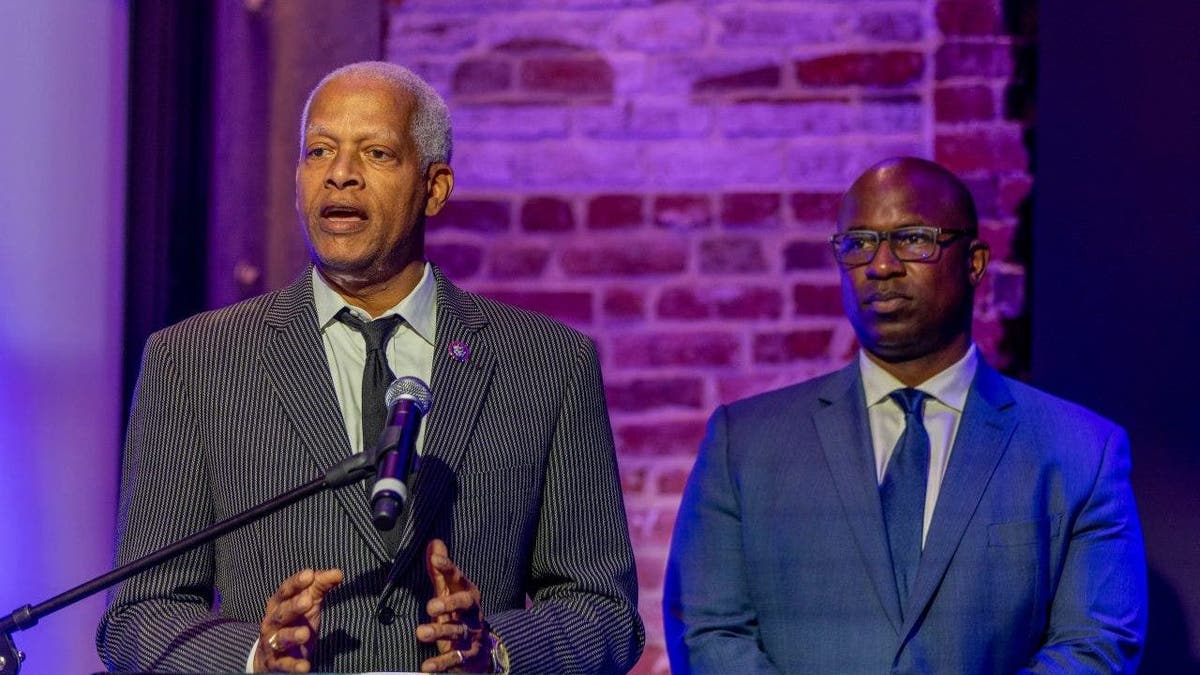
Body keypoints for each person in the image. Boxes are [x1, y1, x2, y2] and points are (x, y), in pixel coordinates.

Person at [97, 61, 644, 673]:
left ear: (435, 188)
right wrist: (254, 657)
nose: (341, 175)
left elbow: (604, 612)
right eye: (319, 151)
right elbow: (137, 618)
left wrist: (498, 652)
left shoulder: (545, 364)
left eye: (377, 153)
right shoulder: (194, 362)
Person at [663, 157, 1147, 673]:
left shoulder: (1079, 450)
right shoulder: (745, 443)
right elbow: (707, 631)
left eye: (913, 238)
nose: (881, 265)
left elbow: (1095, 647)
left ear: (975, 262)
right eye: (858, 244)